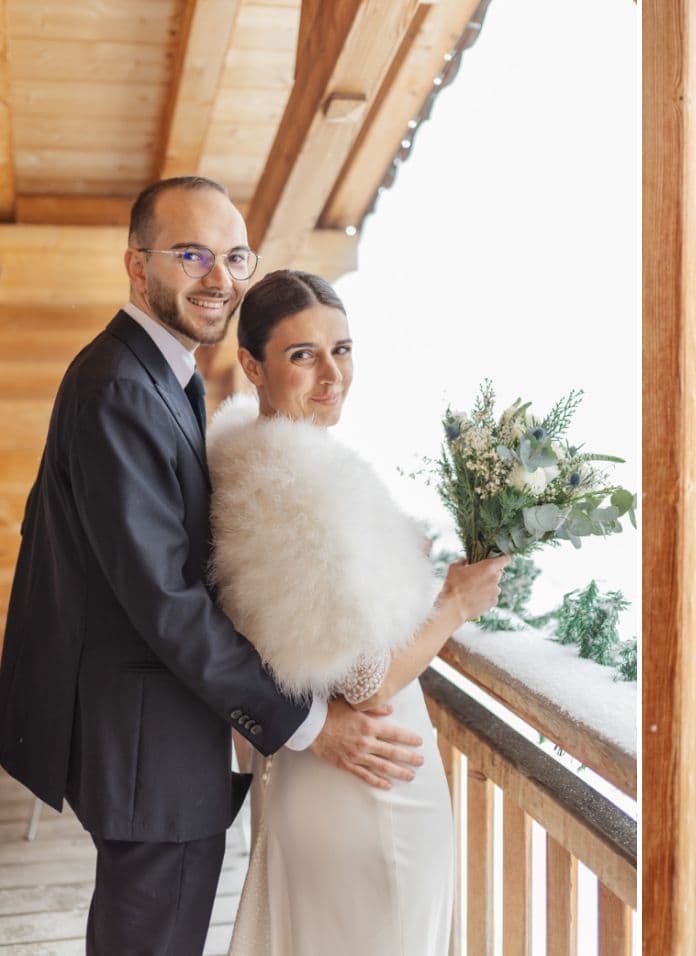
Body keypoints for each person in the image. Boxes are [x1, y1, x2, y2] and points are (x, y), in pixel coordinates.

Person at [0, 177, 426, 954]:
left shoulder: (169, 375)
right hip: (145, 741)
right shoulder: (118, 389)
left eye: (234, 255)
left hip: (160, 733)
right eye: (192, 254)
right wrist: (304, 723)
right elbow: (165, 598)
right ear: (138, 267)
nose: (219, 277)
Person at [207, 270, 508, 955]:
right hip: (372, 789)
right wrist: (455, 603)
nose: (331, 374)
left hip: (311, 780)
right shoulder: (305, 488)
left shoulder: (246, 463)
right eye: (302, 355)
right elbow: (365, 678)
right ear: (252, 365)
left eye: (341, 349)